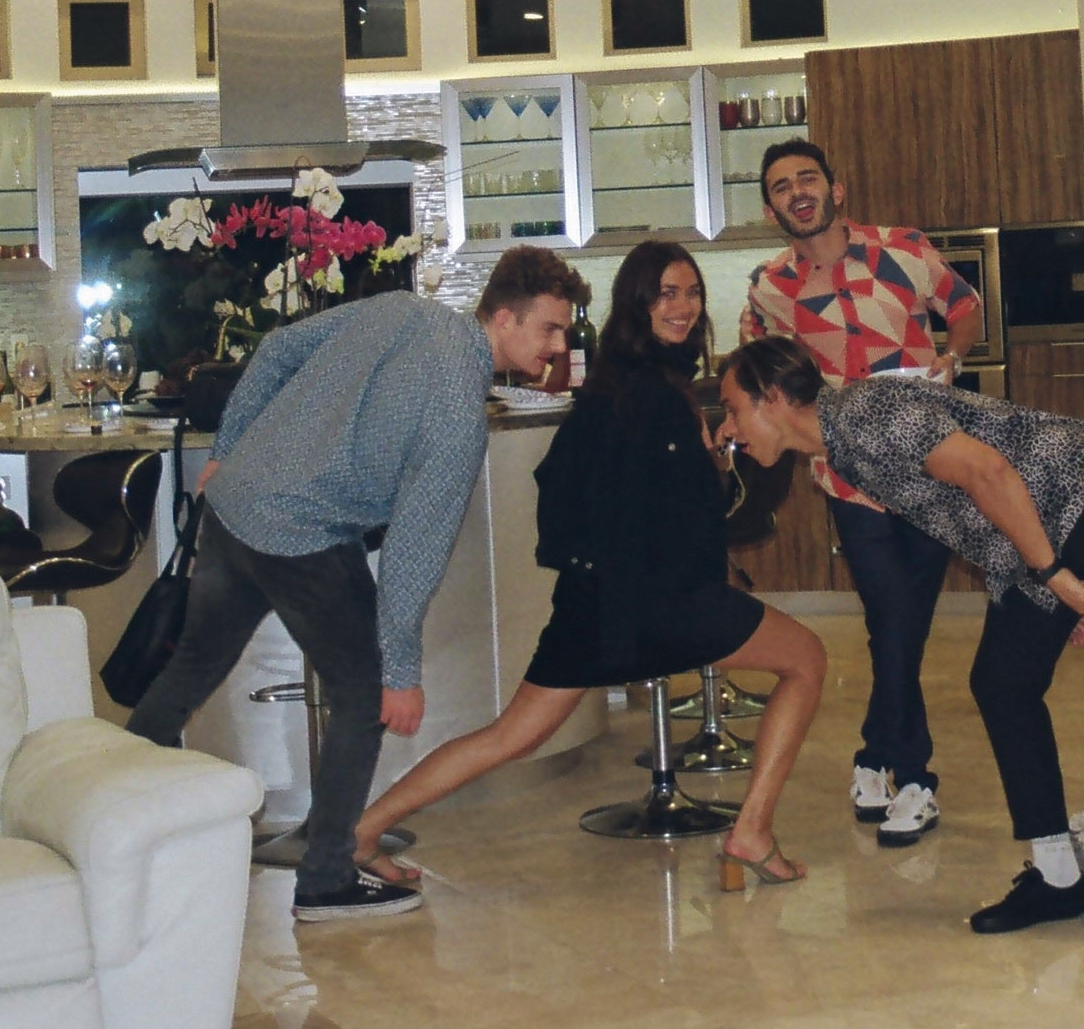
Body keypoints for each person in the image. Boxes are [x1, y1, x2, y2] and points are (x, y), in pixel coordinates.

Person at [126, 246, 586, 923]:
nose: (558, 344)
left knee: (193, 664)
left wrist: (229, 448)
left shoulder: (400, 309)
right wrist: (399, 671)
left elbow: (277, 348)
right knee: (361, 692)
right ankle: (326, 878)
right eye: (549, 328)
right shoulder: (459, 403)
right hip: (300, 533)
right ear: (505, 318)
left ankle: (119, 813)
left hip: (234, 505)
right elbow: (414, 547)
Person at [353, 240, 828, 891]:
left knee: (508, 735)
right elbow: (666, 510)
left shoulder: (625, 381)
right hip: (653, 600)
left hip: (597, 601)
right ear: (638, 300)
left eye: (690, 291)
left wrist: (702, 456)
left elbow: (614, 491)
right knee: (806, 657)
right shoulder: (653, 394)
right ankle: (750, 834)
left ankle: (360, 829)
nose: (683, 305)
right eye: (666, 292)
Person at [717, 334, 1084, 935]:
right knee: (1003, 683)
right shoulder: (841, 449)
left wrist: (1052, 571)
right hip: (1046, 525)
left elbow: (986, 471)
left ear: (771, 398)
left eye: (734, 410)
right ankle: (1058, 879)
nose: (731, 427)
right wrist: (1048, 576)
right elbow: (963, 513)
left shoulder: (866, 414)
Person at [735, 139, 982, 848]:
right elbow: (757, 378)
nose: (797, 192)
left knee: (900, 625)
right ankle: (915, 777)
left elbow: (964, 308)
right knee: (890, 612)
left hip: (931, 461)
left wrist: (953, 353)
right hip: (847, 475)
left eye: (807, 178)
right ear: (770, 206)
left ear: (836, 189)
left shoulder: (902, 249)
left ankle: (875, 750)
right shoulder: (768, 290)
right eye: (781, 186)